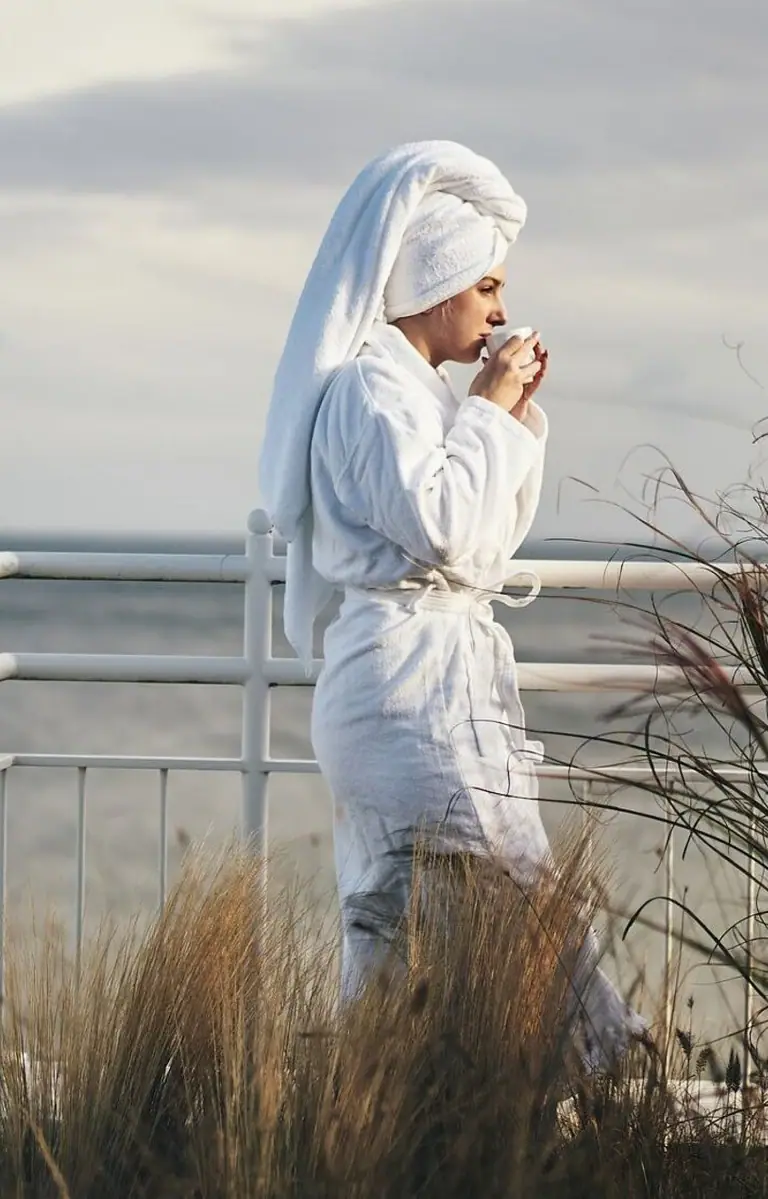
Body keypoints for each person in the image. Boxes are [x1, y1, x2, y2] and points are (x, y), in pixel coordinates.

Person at [257, 140, 648, 1071]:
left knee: (423, 919)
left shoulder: (421, 395)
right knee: (492, 893)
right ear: (437, 286)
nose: (503, 309)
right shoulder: (367, 392)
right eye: (488, 287)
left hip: (430, 681)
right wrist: (489, 406)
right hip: (401, 691)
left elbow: (486, 545)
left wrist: (504, 414)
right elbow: (441, 524)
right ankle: (599, 1076)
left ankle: (397, 1116)